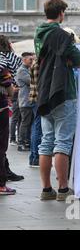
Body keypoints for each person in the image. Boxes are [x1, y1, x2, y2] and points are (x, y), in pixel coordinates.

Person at [35, 0, 80, 201]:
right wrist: (70, 62)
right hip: (63, 93)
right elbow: (79, 61)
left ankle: (46, 189)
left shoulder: (38, 35)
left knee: (46, 142)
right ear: (61, 13)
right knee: (62, 142)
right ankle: (63, 189)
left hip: (44, 94)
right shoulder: (62, 35)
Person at [0, 35, 25, 182]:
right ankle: (2, 181)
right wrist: (10, 87)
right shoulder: (4, 60)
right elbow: (6, 79)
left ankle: (5, 171)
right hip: (1, 105)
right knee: (2, 143)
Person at [0, 66, 16, 195]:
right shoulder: (1, 68)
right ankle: (1, 185)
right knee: (1, 148)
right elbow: (10, 91)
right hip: (0, 111)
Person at [16, 52, 34, 153]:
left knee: (28, 122)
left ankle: (26, 142)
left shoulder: (26, 69)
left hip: (27, 101)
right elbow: (31, 81)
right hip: (25, 101)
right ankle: (21, 143)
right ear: (24, 60)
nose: (32, 61)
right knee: (25, 123)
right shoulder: (22, 70)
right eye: (30, 59)